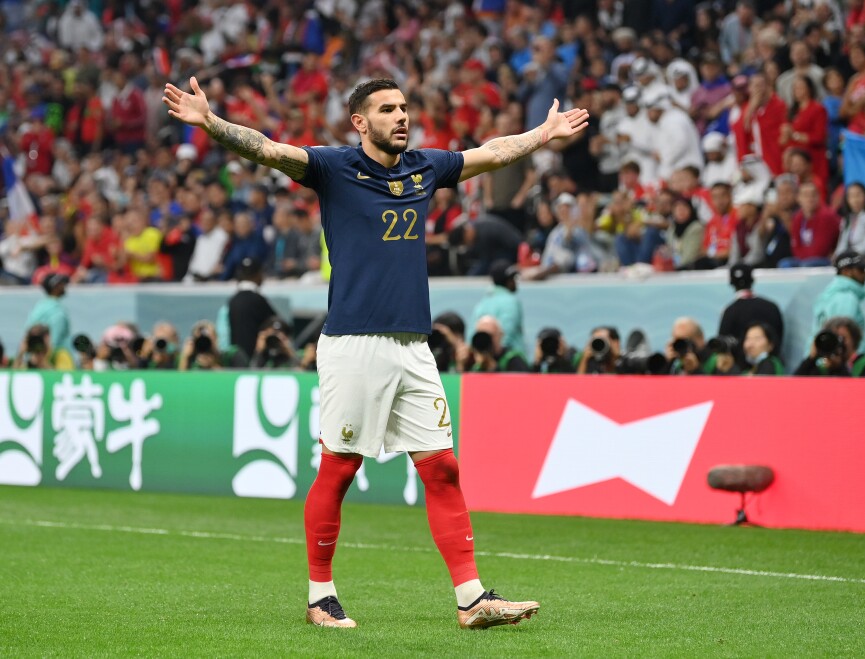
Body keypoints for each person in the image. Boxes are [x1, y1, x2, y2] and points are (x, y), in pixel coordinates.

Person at [163, 75, 588, 628]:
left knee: (442, 468)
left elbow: (490, 153)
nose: (402, 116)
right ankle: (320, 597)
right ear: (360, 122)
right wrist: (211, 123)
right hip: (354, 342)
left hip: (414, 343)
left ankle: (471, 598)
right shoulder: (332, 168)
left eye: (405, 107)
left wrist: (544, 132)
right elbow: (266, 148)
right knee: (340, 468)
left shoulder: (424, 169)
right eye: (387, 109)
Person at [811, 251, 865, 353]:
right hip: (844, 366)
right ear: (846, 271)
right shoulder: (845, 298)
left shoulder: (832, 295)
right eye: (861, 269)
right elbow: (842, 339)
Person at [469, 260, 526, 357]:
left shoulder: (482, 303)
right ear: (508, 281)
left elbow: (472, 335)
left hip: (484, 359)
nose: (516, 282)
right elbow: (507, 335)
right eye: (514, 278)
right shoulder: (511, 302)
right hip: (509, 361)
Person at [719, 263, 784, 345]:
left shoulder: (729, 311)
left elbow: (722, 343)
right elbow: (779, 337)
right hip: (772, 356)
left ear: (732, 284)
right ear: (752, 280)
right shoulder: (772, 307)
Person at [23, 272, 72, 354]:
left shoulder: (38, 307)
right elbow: (53, 343)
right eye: (61, 283)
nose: (64, 285)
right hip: (55, 363)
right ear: (55, 287)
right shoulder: (57, 312)